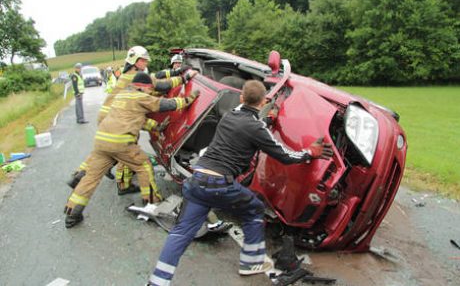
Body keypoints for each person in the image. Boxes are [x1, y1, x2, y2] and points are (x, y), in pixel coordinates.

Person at [147, 80, 334, 285]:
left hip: (196, 180)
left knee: (181, 233)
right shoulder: (257, 128)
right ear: (263, 102)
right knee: (254, 209)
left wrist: (266, 118)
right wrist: (310, 153)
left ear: (241, 98)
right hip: (220, 185)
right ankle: (250, 262)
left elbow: (247, 122)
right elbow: (285, 156)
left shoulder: (229, 116)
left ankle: (157, 281)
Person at [63, 72, 200, 229]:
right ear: (144, 87)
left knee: (91, 178)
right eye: (150, 89)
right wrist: (190, 98)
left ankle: (72, 214)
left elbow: (135, 119)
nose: (151, 92)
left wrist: (157, 127)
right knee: (144, 166)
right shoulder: (141, 97)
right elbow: (168, 104)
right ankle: (152, 202)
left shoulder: (122, 96)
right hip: (120, 143)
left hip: (101, 142)